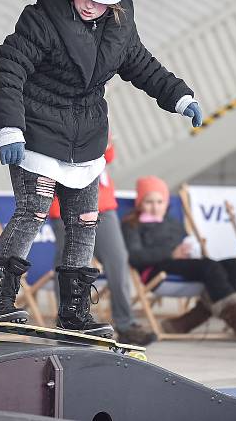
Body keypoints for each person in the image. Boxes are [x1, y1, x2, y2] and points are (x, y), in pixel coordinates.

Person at [0, 0, 202, 338]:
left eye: (100, 1)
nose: (89, 6)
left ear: (114, 2)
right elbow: (7, 69)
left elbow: (144, 67)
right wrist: (9, 126)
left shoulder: (119, 26)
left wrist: (180, 96)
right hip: (37, 130)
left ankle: (74, 311)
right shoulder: (41, 19)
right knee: (33, 211)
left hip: (85, 138)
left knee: (86, 221)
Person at [121, 176, 236, 346]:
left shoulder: (172, 222)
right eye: (149, 202)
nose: (155, 207)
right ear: (140, 203)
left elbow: (186, 242)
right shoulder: (131, 224)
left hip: (184, 265)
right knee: (210, 267)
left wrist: (191, 248)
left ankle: (183, 323)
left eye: (159, 202)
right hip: (157, 271)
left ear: (166, 203)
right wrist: (171, 253)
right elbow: (134, 257)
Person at [49, 135, 157, 346]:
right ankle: (69, 321)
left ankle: (125, 324)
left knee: (118, 261)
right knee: (69, 265)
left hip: (102, 202)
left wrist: (106, 141)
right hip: (65, 199)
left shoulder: (94, 106)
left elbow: (107, 154)